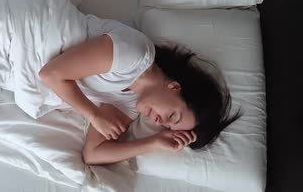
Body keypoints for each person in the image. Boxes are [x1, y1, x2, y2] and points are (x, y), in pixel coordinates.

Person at [37, 16, 240, 165]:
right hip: (33, 31)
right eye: (172, 115)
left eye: (167, 127)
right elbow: (51, 74)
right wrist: (94, 115)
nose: (158, 122)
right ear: (175, 87)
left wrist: (153, 142)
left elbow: (93, 154)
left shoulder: (130, 103)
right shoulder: (135, 54)